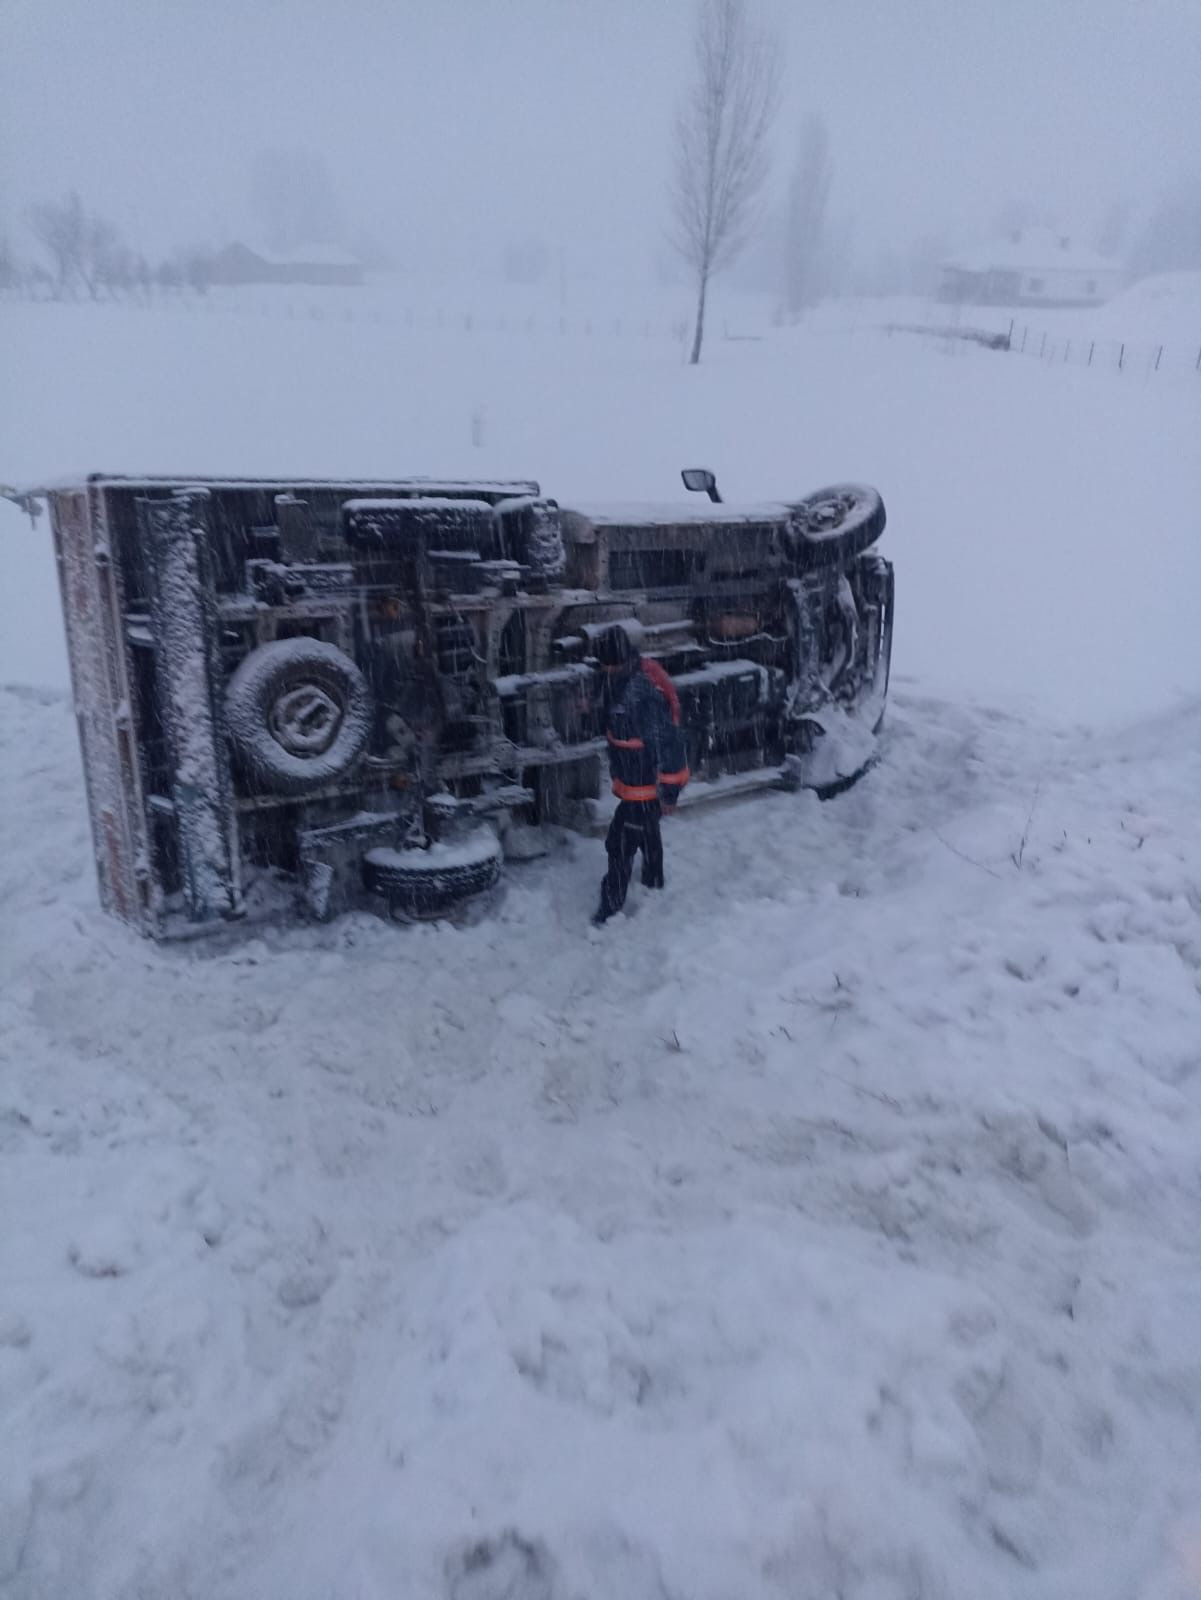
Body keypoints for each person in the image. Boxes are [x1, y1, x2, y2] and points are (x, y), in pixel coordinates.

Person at [591, 622, 690, 924]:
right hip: (635, 785)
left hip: (646, 786)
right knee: (647, 830)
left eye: (604, 664)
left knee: (619, 844)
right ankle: (653, 880)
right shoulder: (618, 680)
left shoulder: (640, 695)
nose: (602, 669)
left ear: (615, 661)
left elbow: (670, 745)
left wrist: (669, 792)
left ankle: (610, 908)